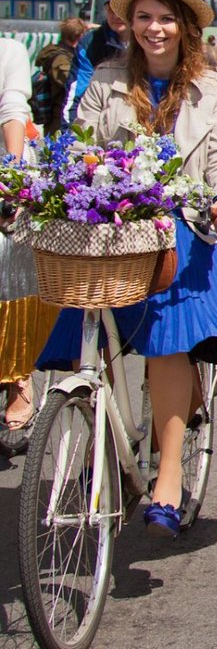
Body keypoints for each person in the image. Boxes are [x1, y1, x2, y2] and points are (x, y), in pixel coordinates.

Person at [35, 0, 217, 536]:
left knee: (165, 336)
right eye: (143, 17)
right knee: (92, 324)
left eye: (166, 18)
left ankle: (167, 474)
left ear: (184, 25)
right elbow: (77, 148)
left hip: (178, 226)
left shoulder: (211, 86)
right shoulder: (106, 78)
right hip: (113, 225)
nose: (154, 28)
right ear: (128, 23)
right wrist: (49, 191)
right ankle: (106, 424)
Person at [1, 36, 54, 453]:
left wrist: (13, 180)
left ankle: (19, 377)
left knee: (10, 270)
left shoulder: (9, 51)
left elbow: (12, 109)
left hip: (5, 163)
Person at [63, 5, 129, 125]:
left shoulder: (150, 38)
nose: (115, 16)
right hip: (102, 123)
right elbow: (77, 92)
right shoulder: (91, 42)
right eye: (110, 10)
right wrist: (69, 133)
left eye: (120, 9)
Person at [29, 16, 88, 135]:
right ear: (80, 36)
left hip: (61, 116)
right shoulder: (60, 58)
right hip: (59, 119)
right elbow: (71, 81)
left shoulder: (64, 54)